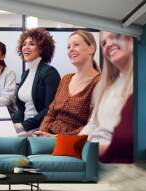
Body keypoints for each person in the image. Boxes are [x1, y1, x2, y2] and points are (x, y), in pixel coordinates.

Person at [33, 30, 100, 137]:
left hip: (72, 144)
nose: (71, 50)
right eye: (68, 47)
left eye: (76, 45)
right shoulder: (66, 79)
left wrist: (56, 139)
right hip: (48, 137)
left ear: (91, 48)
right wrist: (43, 132)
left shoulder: (99, 82)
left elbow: (93, 126)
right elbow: (51, 112)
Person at [79, 32, 134, 161]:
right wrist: (71, 143)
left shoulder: (140, 85)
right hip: (90, 151)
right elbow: (92, 124)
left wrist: (93, 149)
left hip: (108, 156)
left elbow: (129, 140)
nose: (108, 44)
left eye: (116, 36)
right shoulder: (104, 87)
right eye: (104, 43)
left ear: (132, 40)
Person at [11, 28, 61, 133]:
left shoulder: (50, 73)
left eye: (32, 44)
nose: (26, 47)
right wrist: (9, 122)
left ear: (42, 49)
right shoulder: (25, 74)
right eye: (24, 44)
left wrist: (22, 126)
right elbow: (22, 110)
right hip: (24, 127)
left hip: (40, 129)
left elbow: (49, 110)